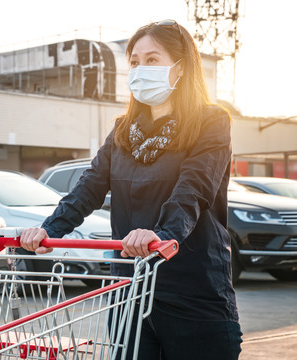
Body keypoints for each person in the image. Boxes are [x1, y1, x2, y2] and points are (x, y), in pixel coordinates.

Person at [20, 19, 242, 359]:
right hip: (130, 292)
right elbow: (89, 187)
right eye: (134, 62)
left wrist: (160, 235)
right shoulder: (124, 131)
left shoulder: (210, 122)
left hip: (192, 294)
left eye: (152, 60)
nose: (140, 70)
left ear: (181, 68)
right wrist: (50, 229)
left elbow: (193, 190)